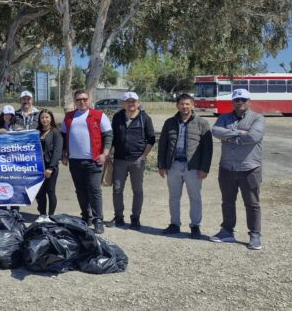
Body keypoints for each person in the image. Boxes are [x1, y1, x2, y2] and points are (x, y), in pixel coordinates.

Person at [209, 88, 265, 250]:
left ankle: (254, 234)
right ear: (232, 101)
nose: (240, 102)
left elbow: (253, 137)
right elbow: (215, 131)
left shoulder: (258, 118)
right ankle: (227, 231)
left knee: (252, 203)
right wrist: (239, 133)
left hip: (250, 168)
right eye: (237, 100)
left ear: (249, 101)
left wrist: (229, 136)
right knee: (227, 201)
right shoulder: (224, 117)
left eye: (243, 99)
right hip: (227, 167)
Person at [157, 93, 213, 239]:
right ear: (177, 105)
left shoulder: (202, 123)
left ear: (193, 105)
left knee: (195, 197)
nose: (185, 106)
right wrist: (161, 165)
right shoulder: (169, 122)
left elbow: (208, 149)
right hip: (174, 165)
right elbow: (162, 144)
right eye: (182, 103)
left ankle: (195, 226)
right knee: (174, 197)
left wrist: (204, 169)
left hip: (193, 167)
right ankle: (174, 224)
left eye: (188, 104)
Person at [61, 90, 113, 234]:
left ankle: (98, 220)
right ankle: (86, 217)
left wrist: (105, 154)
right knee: (81, 190)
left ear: (89, 100)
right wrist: (64, 153)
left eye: (84, 99)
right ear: (75, 101)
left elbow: (108, 135)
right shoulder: (69, 117)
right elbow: (63, 136)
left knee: (94, 190)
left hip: (94, 161)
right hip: (75, 161)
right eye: (79, 99)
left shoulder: (99, 115)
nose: (82, 102)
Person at [108, 92, 156, 230]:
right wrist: (108, 153)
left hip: (137, 160)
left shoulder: (144, 118)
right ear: (124, 103)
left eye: (133, 101)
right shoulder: (118, 117)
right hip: (119, 160)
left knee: (137, 190)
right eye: (128, 101)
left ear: (138, 102)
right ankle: (118, 217)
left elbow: (151, 138)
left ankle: (135, 218)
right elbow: (112, 136)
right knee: (117, 189)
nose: (131, 104)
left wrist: (143, 156)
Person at [35, 110, 63, 223]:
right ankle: (42, 214)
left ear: (51, 118)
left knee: (50, 191)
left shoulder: (55, 132)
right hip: (38, 166)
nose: (44, 120)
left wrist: (51, 167)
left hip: (50, 166)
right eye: (42, 118)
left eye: (47, 117)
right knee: (40, 192)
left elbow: (57, 150)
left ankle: (51, 216)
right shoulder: (37, 132)